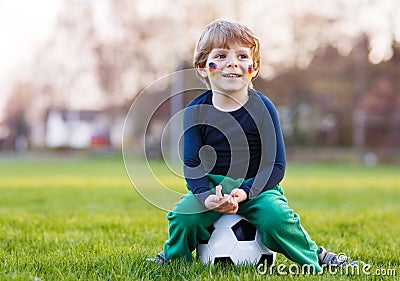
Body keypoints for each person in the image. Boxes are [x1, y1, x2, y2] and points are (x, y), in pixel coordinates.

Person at [148, 19, 360, 272]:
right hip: (214, 187)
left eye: (241, 55)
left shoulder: (263, 107)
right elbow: (192, 165)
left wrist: (246, 191)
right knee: (183, 216)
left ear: (254, 67)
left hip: (258, 186)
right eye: (221, 55)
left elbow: (276, 164)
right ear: (203, 68)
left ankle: (319, 257)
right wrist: (206, 198)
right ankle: (173, 258)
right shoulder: (194, 111)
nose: (232, 63)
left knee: (277, 219)